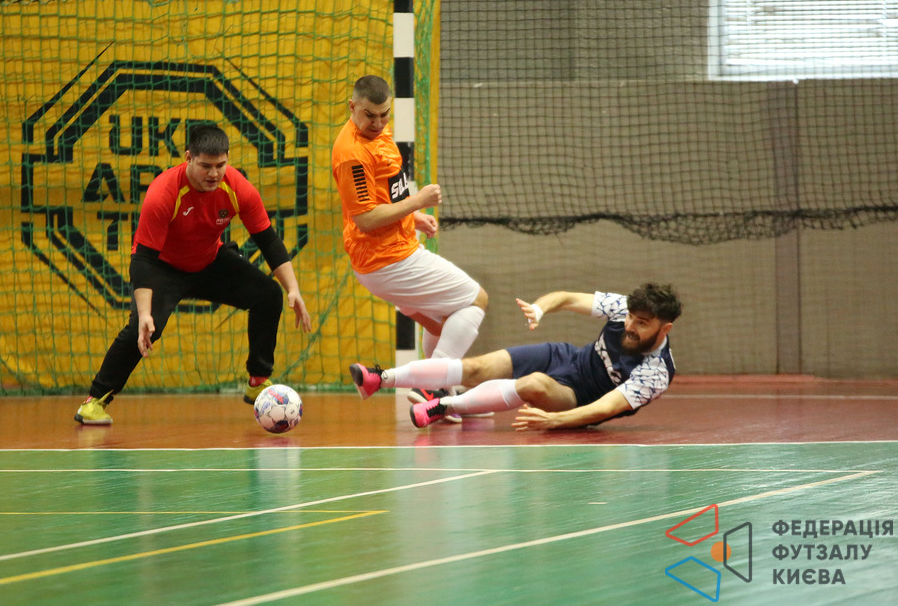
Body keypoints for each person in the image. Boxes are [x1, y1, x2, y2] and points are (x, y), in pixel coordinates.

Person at [75, 124, 312, 425]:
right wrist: (144, 314)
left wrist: (293, 289)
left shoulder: (236, 187)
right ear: (188, 157)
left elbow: (268, 239)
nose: (214, 174)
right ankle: (94, 402)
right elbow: (143, 259)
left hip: (209, 262)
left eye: (220, 165)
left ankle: (258, 381)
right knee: (143, 329)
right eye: (205, 166)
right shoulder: (164, 192)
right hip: (163, 269)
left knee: (268, 294)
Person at [331, 75, 488, 422]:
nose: (378, 123)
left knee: (444, 324)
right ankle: (433, 388)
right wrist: (419, 200)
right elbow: (366, 219)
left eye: (384, 115)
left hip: (394, 250)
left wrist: (413, 217)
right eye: (369, 115)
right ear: (352, 107)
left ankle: (445, 397)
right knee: (477, 300)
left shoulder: (379, 133)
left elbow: (385, 196)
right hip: (387, 259)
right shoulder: (352, 154)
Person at [348, 283, 681, 430]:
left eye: (642, 323)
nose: (631, 326)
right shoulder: (624, 308)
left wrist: (555, 421)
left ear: (664, 328)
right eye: (631, 317)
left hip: (580, 397)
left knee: (532, 384)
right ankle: (381, 378)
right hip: (567, 357)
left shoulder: (656, 372)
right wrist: (540, 308)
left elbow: (604, 408)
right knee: (477, 367)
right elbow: (566, 298)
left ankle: (444, 406)